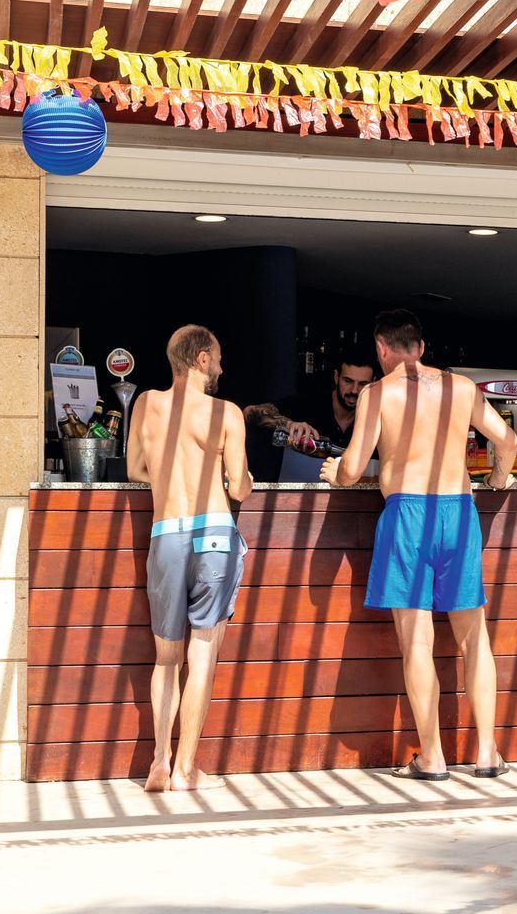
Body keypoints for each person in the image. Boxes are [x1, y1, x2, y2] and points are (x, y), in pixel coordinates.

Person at [321, 309, 517, 781]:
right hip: (458, 510)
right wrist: (495, 476)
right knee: (475, 640)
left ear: (382, 350)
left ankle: (432, 757)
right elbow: (507, 440)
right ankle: (487, 753)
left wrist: (335, 473)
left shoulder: (377, 393)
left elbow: (352, 468)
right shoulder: (461, 388)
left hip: (409, 513)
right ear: (422, 348)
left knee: (417, 641)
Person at [125, 324, 254, 793]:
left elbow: (136, 468)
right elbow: (239, 486)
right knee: (202, 657)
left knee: (166, 659)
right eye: (217, 358)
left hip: (168, 533)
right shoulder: (226, 412)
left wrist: (169, 473)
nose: (221, 367)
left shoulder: (146, 404)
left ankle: (159, 762)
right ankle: (186, 768)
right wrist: (231, 480)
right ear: (201, 359)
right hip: (215, 531)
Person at [245, 355, 377, 465]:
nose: (354, 390)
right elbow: (250, 412)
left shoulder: (377, 418)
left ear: (373, 383)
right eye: (348, 381)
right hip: (299, 493)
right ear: (336, 377)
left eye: (362, 384)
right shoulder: (310, 403)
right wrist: (289, 425)